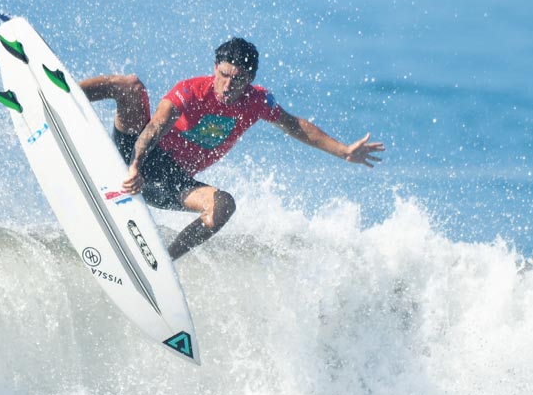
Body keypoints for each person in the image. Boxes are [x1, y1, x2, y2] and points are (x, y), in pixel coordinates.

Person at [79, 38, 385, 260]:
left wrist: (344, 151)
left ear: (250, 80)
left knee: (223, 205)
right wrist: (135, 164)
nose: (227, 85)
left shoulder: (257, 102)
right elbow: (156, 126)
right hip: (136, 153)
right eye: (223, 74)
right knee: (130, 86)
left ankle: (161, 262)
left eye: (236, 80)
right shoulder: (190, 91)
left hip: (171, 181)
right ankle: (57, 92)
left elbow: (296, 126)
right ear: (215, 68)